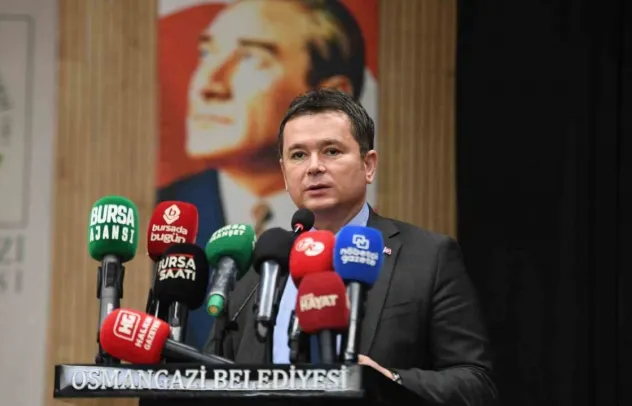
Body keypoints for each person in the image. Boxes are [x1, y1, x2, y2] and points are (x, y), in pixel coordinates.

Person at [202, 88, 499, 406]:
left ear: (368, 165)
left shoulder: (428, 257)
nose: (314, 167)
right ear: (285, 174)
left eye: (331, 151)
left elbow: (476, 385)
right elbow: (208, 381)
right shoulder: (259, 271)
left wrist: (388, 381)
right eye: (298, 155)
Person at [157, 0, 375, 350]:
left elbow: (467, 374)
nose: (207, 85)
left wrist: (385, 376)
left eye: (250, 58)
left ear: (331, 96)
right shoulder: (170, 219)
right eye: (206, 54)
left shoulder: (422, 257)